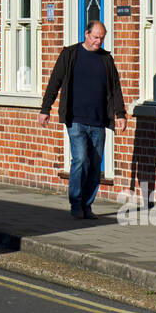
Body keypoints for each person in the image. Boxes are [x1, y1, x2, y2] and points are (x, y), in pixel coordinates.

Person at [38, 20, 127, 219]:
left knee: (95, 165)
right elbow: (55, 82)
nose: (99, 41)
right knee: (80, 159)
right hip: (76, 119)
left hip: (98, 120)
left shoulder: (106, 59)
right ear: (86, 34)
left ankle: (87, 205)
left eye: (102, 38)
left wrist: (120, 114)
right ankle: (76, 203)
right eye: (96, 37)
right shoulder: (70, 55)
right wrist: (45, 109)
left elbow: (115, 88)